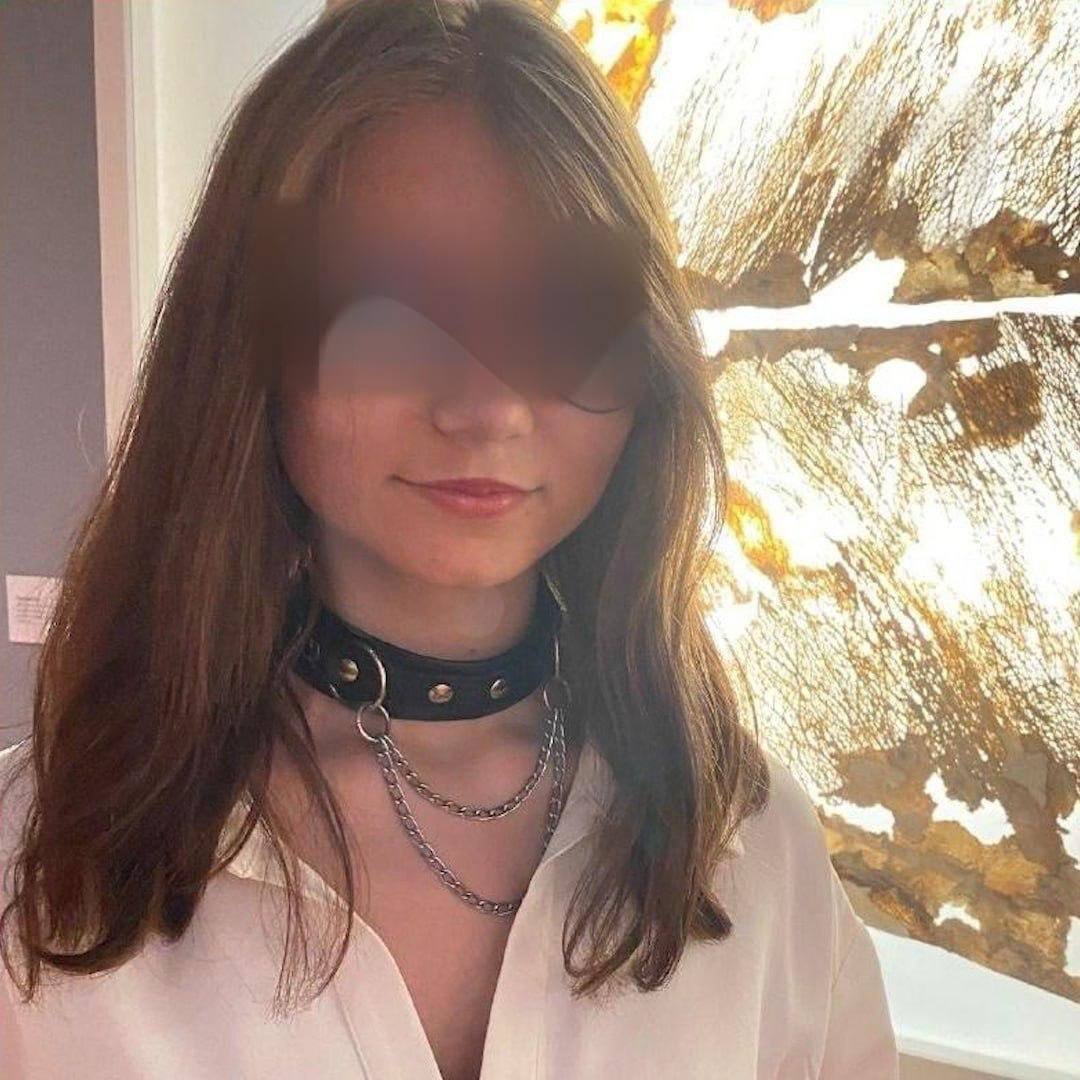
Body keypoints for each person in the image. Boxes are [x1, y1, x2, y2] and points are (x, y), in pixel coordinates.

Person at [0, 0, 899, 1077]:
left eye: (561, 315)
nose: (487, 405)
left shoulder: (755, 850)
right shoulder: (35, 864)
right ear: (251, 344)